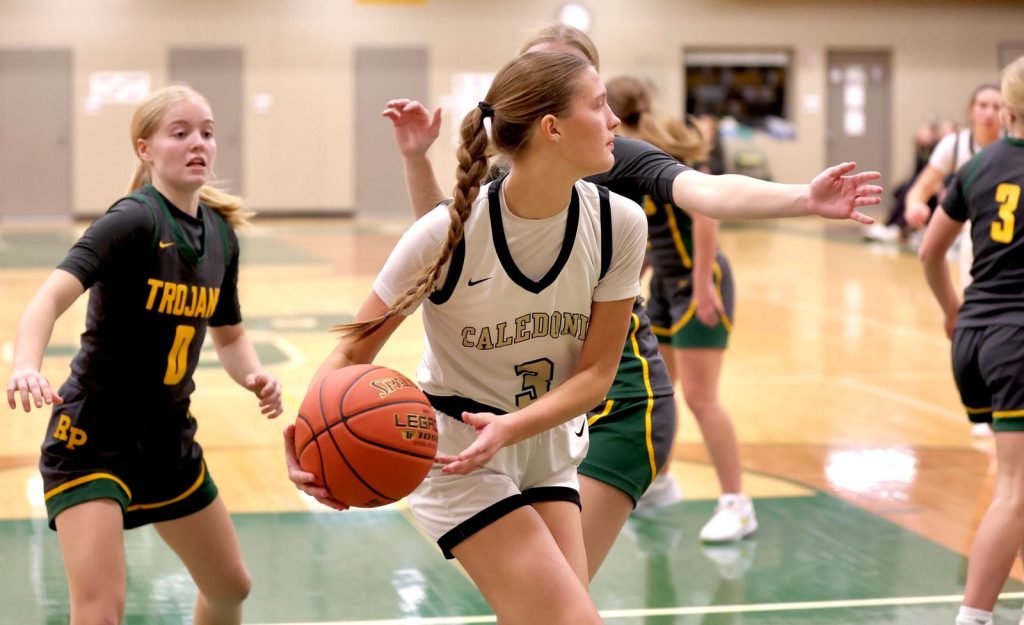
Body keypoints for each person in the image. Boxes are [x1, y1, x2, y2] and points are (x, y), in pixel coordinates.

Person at [372, 25, 882, 563]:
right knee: (545, 605)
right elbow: (443, 252)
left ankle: (716, 495)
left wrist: (802, 196)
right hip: (529, 407)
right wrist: (415, 159)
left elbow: (703, 192)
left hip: (614, 393)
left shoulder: (619, 158)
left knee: (555, 600)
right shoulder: (510, 167)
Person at [288, 51, 646, 624]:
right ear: (551, 129)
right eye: (599, 106)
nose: (615, 121)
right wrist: (304, 440)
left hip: (547, 446)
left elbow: (597, 377)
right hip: (458, 454)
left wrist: (513, 428)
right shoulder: (444, 234)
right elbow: (355, 348)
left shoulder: (620, 223)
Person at [5, 84, 283, 625]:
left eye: (206, 132)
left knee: (231, 586)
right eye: (180, 133)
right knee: (100, 612)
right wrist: (24, 365)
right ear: (145, 149)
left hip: (167, 438)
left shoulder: (222, 236)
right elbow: (49, 297)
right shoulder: (132, 221)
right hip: (94, 436)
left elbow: (228, 335)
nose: (197, 143)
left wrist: (254, 375)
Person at [604, 73, 755, 543]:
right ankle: (661, 483)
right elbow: (649, 234)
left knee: (702, 398)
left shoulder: (651, 152)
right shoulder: (623, 153)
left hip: (698, 283)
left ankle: (737, 503)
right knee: (661, 393)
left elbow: (705, 213)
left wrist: (705, 283)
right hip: (669, 286)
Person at [917, 56, 1024, 625]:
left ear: (1006, 109)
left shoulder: (979, 166)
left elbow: (930, 253)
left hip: (977, 336)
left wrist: (952, 312)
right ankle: (974, 616)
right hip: (1017, 340)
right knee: (1015, 493)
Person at [906, 84, 1003, 273]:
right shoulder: (954, 144)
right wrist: (915, 206)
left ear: (1007, 112)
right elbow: (920, 190)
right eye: (983, 105)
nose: (989, 113)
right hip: (971, 229)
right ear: (971, 110)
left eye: (997, 107)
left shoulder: (1014, 143)